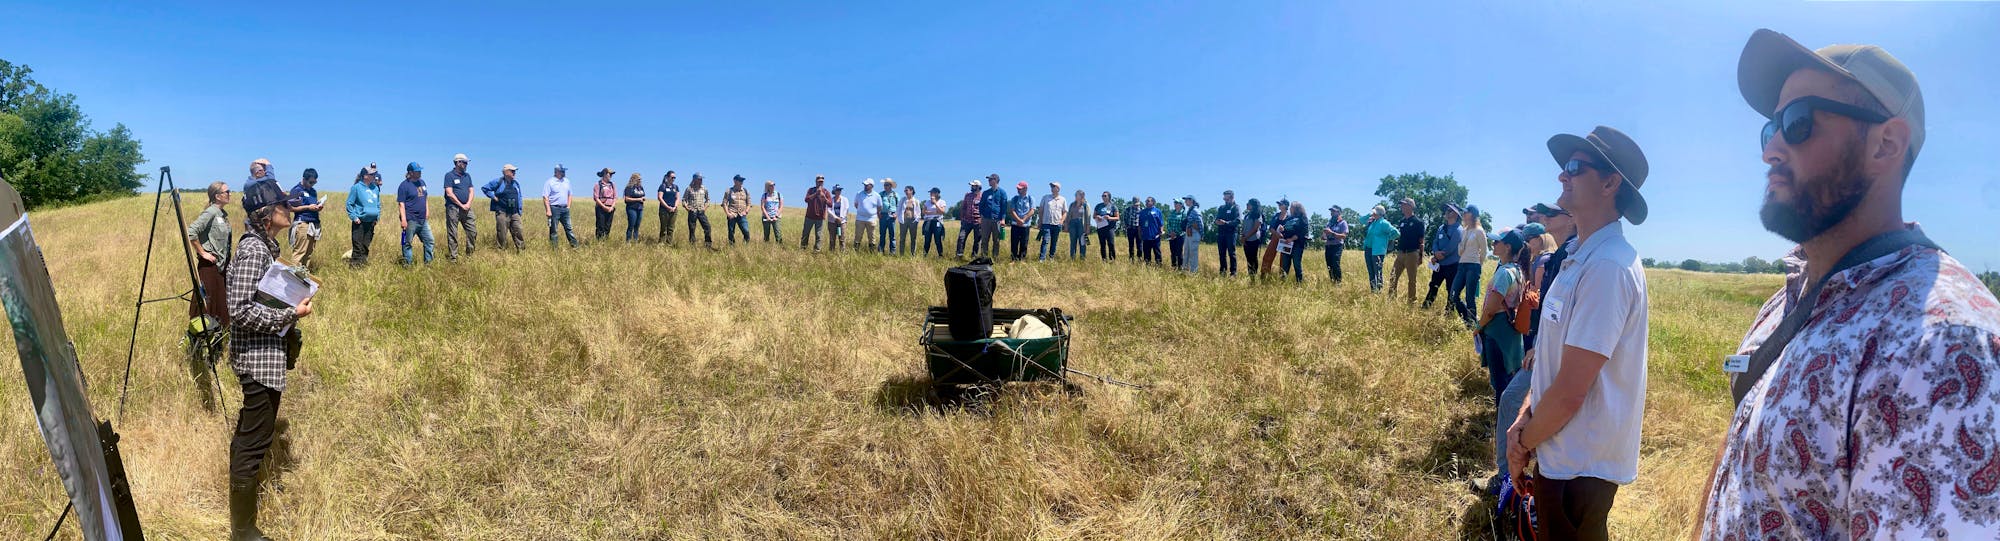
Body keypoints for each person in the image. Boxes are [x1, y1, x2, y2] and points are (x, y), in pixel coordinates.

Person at [1695, 30, 2000, 538]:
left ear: (1885, 145)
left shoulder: (1945, 348)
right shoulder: (1793, 292)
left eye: (1797, 123)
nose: (1770, 148)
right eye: (1770, 127)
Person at [1504, 125, 1650, 541]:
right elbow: (1553, 355)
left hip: (1578, 465)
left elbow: (1571, 390)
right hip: (1558, 449)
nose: (1561, 176)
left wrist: (1521, 444)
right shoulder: (1579, 257)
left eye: (1574, 167)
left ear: (1609, 182)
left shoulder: (1608, 266)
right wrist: (1523, 416)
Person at [223, 179, 314, 541]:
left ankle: (244, 502)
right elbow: (239, 310)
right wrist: (290, 314)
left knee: (253, 431)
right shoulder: (252, 251)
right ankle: (242, 529)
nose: (289, 210)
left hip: (267, 356)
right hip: (257, 360)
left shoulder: (266, 246)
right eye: (284, 206)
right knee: (255, 438)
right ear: (266, 214)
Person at [1478, 228, 1529, 494]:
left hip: (1497, 330)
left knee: (1501, 387)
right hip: (1510, 335)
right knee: (1507, 382)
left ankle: (1504, 434)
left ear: (1507, 247)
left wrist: (1479, 325)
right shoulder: (1519, 271)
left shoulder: (1504, 272)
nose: (1494, 244)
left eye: (1497, 241)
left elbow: (1490, 306)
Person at [187, 181, 233, 325]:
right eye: (227, 191)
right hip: (209, 266)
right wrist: (203, 253)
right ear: (218, 196)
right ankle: (203, 332)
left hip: (220, 265)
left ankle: (219, 333)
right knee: (209, 299)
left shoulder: (222, 214)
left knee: (220, 300)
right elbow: (192, 232)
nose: (230, 194)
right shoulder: (211, 212)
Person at [1454, 205, 1490, 327]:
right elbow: (1459, 251)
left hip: (1473, 266)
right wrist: (1461, 245)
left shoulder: (1479, 231)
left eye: (1466, 212)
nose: (1464, 214)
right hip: (1462, 264)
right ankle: (1468, 320)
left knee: (1470, 297)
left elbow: (1484, 251)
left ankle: (1473, 325)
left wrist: (1478, 265)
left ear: (1473, 215)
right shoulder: (1464, 230)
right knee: (1453, 295)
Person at [1423, 204, 1462, 310]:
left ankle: (1449, 312)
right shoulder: (1441, 227)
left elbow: (1451, 247)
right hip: (1439, 265)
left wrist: (1440, 256)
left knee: (1450, 289)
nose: (1446, 212)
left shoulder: (1459, 230)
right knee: (1433, 286)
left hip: (1452, 266)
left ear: (1455, 214)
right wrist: (1435, 253)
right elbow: (1435, 241)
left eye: (1449, 210)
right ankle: (1425, 307)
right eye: (1446, 210)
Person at [1387, 197, 1426, 303]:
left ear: (1410, 206)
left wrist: (1421, 256)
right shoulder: (1402, 221)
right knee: (1393, 276)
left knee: (1412, 280)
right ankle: (1391, 299)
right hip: (1400, 253)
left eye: (1404, 205)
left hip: (1412, 253)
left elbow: (1421, 240)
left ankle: (1412, 301)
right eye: (1401, 205)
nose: (1401, 207)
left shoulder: (1418, 222)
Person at [480, 164, 526, 251]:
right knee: (502, 233)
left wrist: (519, 210)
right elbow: (485, 188)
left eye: (514, 171)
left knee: (518, 231)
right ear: (506, 172)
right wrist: (493, 197)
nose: (514, 173)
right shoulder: (498, 181)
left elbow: (519, 197)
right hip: (502, 212)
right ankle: (501, 251)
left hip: (514, 212)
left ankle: (521, 251)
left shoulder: (516, 184)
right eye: (512, 171)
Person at [441, 153, 478, 260]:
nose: (466, 165)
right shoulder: (449, 175)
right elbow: (449, 193)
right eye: (465, 162)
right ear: (458, 163)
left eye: (467, 163)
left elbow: (471, 191)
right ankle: (454, 257)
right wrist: (461, 205)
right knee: (453, 232)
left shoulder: (467, 176)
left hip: (467, 208)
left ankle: (469, 254)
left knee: (472, 231)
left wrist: (468, 204)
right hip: (453, 208)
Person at [397, 162, 435, 265]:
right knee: (407, 243)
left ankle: (429, 264)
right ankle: (407, 264)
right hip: (411, 219)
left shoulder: (422, 183)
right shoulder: (404, 186)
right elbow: (401, 204)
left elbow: (425, 197)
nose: (420, 173)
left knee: (429, 240)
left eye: (420, 171)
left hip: (423, 219)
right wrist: (404, 219)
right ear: (410, 172)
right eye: (417, 171)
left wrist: (427, 210)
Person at [285, 168, 324, 270]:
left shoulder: (313, 191)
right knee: (300, 252)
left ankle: (303, 276)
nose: (312, 184)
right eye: (310, 182)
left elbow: (312, 205)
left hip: (314, 224)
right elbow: (291, 208)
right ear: (304, 179)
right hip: (303, 223)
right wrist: (308, 207)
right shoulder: (296, 190)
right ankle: (293, 277)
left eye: (314, 182)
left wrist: (317, 207)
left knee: (309, 252)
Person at [345, 167, 381, 266]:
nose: (374, 176)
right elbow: (349, 204)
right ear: (365, 176)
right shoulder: (356, 188)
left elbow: (378, 204)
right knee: (358, 245)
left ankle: (363, 265)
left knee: (366, 245)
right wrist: (354, 217)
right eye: (372, 174)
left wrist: (377, 217)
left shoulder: (375, 188)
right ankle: (355, 267)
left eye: (374, 174)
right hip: (359, 221)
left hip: (371, 222)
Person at [544, 164, 579, 248]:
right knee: (554, 230)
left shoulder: (567, 181)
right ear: (556, 172)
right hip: (554, 208)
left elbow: (570, 194)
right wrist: (548, 210)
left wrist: (568, 206)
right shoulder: (549, 182)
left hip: (565, 209)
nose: (564, 173)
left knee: (569, 229)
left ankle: (575, 246)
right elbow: (545, 197)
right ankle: (554, 249)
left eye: (564, 171)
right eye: (562, 171)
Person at [1362, 206, 1394, 291]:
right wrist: (1369, 214)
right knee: (1371, 272)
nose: (1373, 214)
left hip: (1378, 251)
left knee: (1378, 272)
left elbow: (1396, 233)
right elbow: (1361, 220)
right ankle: (1373, 290)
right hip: (1368, 249)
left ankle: (1379, 291)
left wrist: (1386, 239)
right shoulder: (1373, 222)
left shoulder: (1384, 223)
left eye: (1374, 213)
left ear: (1379, 214)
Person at [1276, 201, 1308, 282]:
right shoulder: (1289, 218)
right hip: (1287, 244)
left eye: (1291, 207)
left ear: (1296, 208)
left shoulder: (1302, 218)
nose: (1289, 208)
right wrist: (1282, 230)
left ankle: (1299, 283)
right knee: (1285, 265)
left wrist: (1292, 239)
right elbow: (1286, 230)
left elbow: (1303, 231)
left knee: (1297, 264)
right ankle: (1282, 283)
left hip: (1297, 245)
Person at [977, 174, 1007, 258]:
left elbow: (1004, 207)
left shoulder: (1002, 192)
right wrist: (981, 216)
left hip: (997, 220)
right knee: (984, 239)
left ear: (995, 180)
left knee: (996, 240)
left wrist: (1003, 219)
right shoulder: (986, 193)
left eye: (990, 179)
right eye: (988, 180)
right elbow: (981, 205)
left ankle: (995, 257)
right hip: (986, 219)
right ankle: (984, 257)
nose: (988, 181)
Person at [1035, 182, 1065, 261]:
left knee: (1054, 242)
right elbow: (1040, 210)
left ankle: (1051, 257)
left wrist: (1062, 221)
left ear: (1058, 189)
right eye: (1051, 186)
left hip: (1057, 224)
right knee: (1045, 241)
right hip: (1046, 223)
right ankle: (1042, 259)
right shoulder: (1045, 197)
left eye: (1054, 186)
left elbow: (1065, 212)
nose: (1052, 188)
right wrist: (1040, 221)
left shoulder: (1062, 199)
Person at [1214, 190, 1240, 276]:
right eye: (1224, 196)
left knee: (1231, 253)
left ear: (1231, 197)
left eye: (1226, 196)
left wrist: (1226, 222)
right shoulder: (1221, 208)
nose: (1224, 198)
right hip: (1221, 233)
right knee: (1222, 253)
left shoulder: (1236, 207)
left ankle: (1233, 273)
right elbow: (1217, 219)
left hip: (1231, 233)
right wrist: (1217, 222)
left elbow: (1238, 221)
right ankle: (1223, 272)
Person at [719, 174, 751, 245]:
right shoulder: (729, 191)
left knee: (746, 231)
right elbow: (724, 203)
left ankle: (745, 246)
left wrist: (746, 211)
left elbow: (749, 203)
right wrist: (728, 214)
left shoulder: (745, 191)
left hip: (742, 214)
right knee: (731, 232)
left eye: (742, 180)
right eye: (740, 180)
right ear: (735, 181)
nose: (741, 182)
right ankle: (731, 246)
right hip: (732, 214)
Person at [683, 173, 713, 247]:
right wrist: (687, 208)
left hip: (701, 211)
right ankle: (692, 245)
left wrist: (705, 208)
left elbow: (708, 199)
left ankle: (708, 245)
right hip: (692, 211)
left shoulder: (704, 189)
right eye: (699, 179)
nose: (701, 180)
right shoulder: (689, 189)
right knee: (692, 229)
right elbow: (684, 199)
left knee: (707, 227)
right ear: (695, 179)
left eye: (701, 179)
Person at [1008, 181, 1034, 261]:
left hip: (1026, 225)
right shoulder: (1014, 198)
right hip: (1015, 224)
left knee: (1024, 243)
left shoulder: (1030, 198)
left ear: (1025, 189)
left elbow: (1032, 211)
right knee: (1014, 242)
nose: (1018, 190)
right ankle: (1013, 259)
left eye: (1020, 188)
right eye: (1017, 188)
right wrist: (1019, 220)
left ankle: (1022, 259)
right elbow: (1012, 211)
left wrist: (1024, 219)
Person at [801, 175, 829, 251]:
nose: (820, 183)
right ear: (816, 181)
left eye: (822, 182)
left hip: (820, 218)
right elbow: (806, 200)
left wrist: (824, 197)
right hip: (809, 216)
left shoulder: (826, 192)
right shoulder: (810, 190)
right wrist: (816, 194)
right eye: (819, 181)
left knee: (819, 235)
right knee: (805, 234)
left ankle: (817, 251)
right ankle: (803, 249)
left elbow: (830, 204)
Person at [955, 180, 982, 258]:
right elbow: (963, 207)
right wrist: (962, 218)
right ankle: (959, 255)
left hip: (978, 221)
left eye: (973, 186)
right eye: (971, 186)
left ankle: (974, 256)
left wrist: (982, 219)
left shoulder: (983, 196)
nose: (972, 187)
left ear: (978, 187)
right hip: (967, 221)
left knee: (977, 240)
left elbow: (985, 208)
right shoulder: (967, 195)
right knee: (961, 237)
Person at [1240, 199, 1266, 277]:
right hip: (1246, 240)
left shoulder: (1258, 215)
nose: (1247, 204)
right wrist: (1242, 236)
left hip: (1254, 240)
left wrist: (1245, 237)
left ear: (1254, 206)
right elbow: (1244, 227)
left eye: (1249, 204)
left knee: (1253, 258)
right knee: (1248, 258)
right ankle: (1250, 274)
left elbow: (1255, 228)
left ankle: (1253, 275)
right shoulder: (1247, 215)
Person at [1322, 205, 1348, 283]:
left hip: (1337, 246)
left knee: (1335, 263)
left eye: (1333, 211)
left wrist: (1332, 233)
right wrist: (1324, 235)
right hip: (1328, 246)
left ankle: (1338, 282)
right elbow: (1324, 236)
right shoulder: (1329, 223)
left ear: (1339, 212)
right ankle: (1332, 281)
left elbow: (1344, 236)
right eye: (1331, 211)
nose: (1331, 213)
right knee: (1329, 264)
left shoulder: (1343, 223)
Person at [591, 167, 618, 240]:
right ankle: (599, 241)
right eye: (610, 174)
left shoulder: (612, 185)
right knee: (600, 225)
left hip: (611, 207)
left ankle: (605, 240)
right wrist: (604, 207)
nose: (611, 176)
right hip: (601, 207)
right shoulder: (598, 184)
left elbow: (615, 197)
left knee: (608, 226)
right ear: (605, 174)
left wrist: (612, 207)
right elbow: (596, 198)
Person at [853, 178, 880, 252]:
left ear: (871, 186)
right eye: (864, 185)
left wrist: (872, 213)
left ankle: (872, 253)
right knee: (858, 236)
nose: (864, 186)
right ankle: (856, 252)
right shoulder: (859, 193)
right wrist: (862, 211)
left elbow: (879, 207)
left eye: (866, 185)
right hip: (860, 219)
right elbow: (856, 204)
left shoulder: (877, 196)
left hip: (871, 219)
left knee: (872, 237)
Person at [876, 179, 901, 254]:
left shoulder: (895, 194)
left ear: (891, 186)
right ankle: (881, 250)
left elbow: (899, 206)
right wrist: (878, 213)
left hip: (892, 215)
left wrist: (896, 214)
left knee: (892, 234)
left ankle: (892, 251)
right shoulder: (880, 194)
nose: (885, 186)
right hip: (883, 215)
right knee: (882, 234)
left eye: (887, 185)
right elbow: (877, 205)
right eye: (884, 185)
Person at [1181, 196, 1205, 274]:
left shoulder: (1195, 211)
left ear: (1191, 201)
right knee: (1186, 252)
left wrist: (1201, 234)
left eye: (1187, 200)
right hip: (1189, 233)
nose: (1185, 202)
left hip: (1194, 233)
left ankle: (1193, 272)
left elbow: (1200, 224)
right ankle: (1185, 270)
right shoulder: (1190, 210)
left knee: (1193, 254)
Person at [921, 187, 948, 257]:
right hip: (928, 221)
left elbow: (942, 212)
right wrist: (935, 212)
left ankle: (940, 255)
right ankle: (924, 255)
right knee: (927, 239)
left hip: (937, 221)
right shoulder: (927, 202)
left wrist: (935, 203)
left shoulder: (942, 202)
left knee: (937, 239)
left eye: (932, 192)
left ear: (937, 193)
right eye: (930, 193)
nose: (930, 194)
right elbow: (923, 212)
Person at [655, 171, 680, 244]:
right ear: (667, 177)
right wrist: (667, 207)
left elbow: (678, 198)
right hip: (664, 209)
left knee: (671, 228)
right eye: (672, 177)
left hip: (674, 209)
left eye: (674, 177)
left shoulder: (675, 187)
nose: (673, 179)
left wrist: (675, 206)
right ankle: (661, 243)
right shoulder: (663, 186)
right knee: (664, 227)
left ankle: (669, 243)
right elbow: (660, 197)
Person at [1137, 197, 1164, 264]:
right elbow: (1140, 224)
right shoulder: (1142, 212)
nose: (1146, 202)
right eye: (1146, 201)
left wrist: (1161, 231)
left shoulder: (1157, 211)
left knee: (1157, 252)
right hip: (1146, 236)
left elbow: (1161, 223)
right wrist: (1140, 234)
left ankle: (1158, 265)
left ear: (1153, 202)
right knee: (1146, 253)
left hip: (1155, 236)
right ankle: (1147, 265)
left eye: (1148, 201)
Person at [1093, 191, 1119, 261]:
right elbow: (1094, 216)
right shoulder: (1098, 206)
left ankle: (1112, 260)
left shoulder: (1113, 206)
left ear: (1109, 197)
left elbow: (1117, 218)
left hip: (1110, 228)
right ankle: (1104, 260)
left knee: (1111, 244)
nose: (1103, 197)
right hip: (1100, 228)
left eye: (1105, 196)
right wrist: (1097, 216)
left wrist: (1109, 218)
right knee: (1102, 244)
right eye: (1102, 195)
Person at [623, 173, 648, 242]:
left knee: (637, 226)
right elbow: (627, 199)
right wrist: (638, 199)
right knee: (631, 225)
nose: (640, 180)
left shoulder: (640, 188)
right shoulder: (629, 188)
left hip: (640, 208)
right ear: (634, 179)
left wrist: (643, 199)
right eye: (639, 179)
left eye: (640, 179)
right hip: (632, 208)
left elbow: (642, 195)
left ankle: (635, 240)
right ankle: (628, 241)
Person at [1066, 189, 1090, 259]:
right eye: (1076, 195)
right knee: (1073, 242)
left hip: (1082, 225)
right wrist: (1066, 225)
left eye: (1078, 195)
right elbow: (1068, 215)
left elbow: (1088, 217)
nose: (1076, 196)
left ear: (1082, 196)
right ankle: (1072, 258)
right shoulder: (1072, 204)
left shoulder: (1085, 205)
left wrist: (1088, 228)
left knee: (1083, 242)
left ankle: (1082, 258)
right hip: (1072, 224)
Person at [827, 184, 848, 252]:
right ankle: (831, 252)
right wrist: (835, 217)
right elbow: (828, 209)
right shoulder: (830, 200)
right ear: (834, 191)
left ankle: (842, 252)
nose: (839, 191)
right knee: (832, 239)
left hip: (842, 222)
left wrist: (841, 218)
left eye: (840, 190)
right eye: (837, 190)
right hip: (832, 221)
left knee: (842, 238)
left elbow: (846, 209)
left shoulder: (845, 199)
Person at [899, 184, 920, 255]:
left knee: (913, 238)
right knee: (902, 238)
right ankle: (901, 254)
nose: (905, 191)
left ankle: (913, 254)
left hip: (913, 221)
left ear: (911, 191)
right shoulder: (902, 200)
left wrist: (916, 221)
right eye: (905, 190)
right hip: (904, 220)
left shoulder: (916, 201)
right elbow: (898, 209)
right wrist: (898, 217)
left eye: (906, 190)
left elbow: (918, 212)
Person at [1165, 199, 1186, 268]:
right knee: (1173, 252)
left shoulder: (1184, 214)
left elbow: (1184, 225)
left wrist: (1176, 233)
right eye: (1174, 202)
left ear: (1181, 204)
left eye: (1177, 202)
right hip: (1171, 236)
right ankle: (1173, 267)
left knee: (1179, 252)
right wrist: (1171, 232)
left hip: (1180, 236)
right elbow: (1168, 224)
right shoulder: (1172, 213)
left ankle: (1180, 268)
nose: (1175, 204)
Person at [1123, 195, 1142, 261]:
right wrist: (1126, 226)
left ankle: (1139, 258)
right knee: (1131, 245)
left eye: (1137, 204)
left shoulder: (1142, 210)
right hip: (1130, 229)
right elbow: (1124, 218)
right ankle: (1131, 258)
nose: (1136, 205)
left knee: (1139, 245)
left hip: (1139, 229)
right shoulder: (1127, 209)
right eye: (1135, 204)